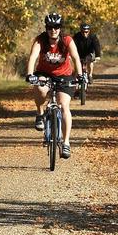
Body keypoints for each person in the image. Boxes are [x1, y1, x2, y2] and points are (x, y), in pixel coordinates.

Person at [25, 12, 83, 159]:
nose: (53, 30)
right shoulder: (41, 40)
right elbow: (33, 57)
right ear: (46, 28)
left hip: (64, 75)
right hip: (44, 73)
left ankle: (66, 143)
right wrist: (30, 74)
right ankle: (40, 113)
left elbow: (76, 58)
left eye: (56, 27)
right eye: (50, 27)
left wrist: (81, 75)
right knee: (40, 88)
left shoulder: (67, 40)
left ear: (60, 28)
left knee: (64, 106)